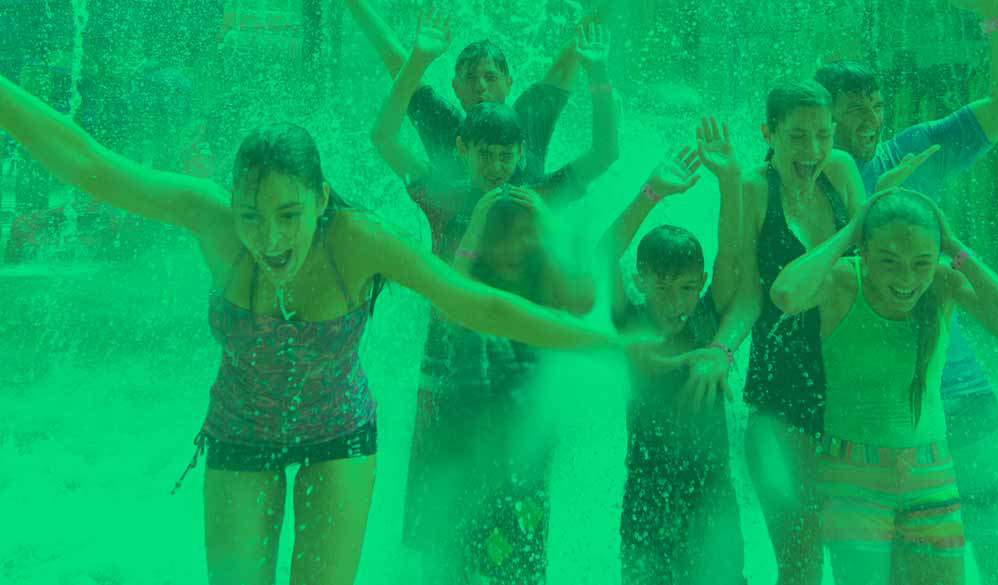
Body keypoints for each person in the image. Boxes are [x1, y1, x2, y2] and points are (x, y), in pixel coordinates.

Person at [0, 71, 626, 585]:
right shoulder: (213, 223)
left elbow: (470, 302)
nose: (269, 238)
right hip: (240, 429)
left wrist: (597, 339)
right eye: (252, 215)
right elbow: (88, 163)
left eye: (288, 215)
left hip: (339, 432)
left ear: (321, 199)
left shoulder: (359, 241)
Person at [814, 4, 998, 582]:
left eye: (877, 105)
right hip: (873, 421)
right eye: (854, 108)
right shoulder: (805, 185)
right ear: (822, 117)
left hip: (960, 387)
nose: (871, 119)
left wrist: (992, 15)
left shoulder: (913, 153)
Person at [771, 189, 998, 585]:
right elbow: (786, 293)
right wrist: (849, 233)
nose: (906, 279)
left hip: (931, 473)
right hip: (852, 474)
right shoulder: (845, 281)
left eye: (921, 263)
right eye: (889, 261)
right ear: (864, 251)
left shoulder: (945, 284)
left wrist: (957, 249)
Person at [404, 184, 592, 584]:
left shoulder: (543, 281)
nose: (512, 245)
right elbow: (444, 308)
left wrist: (547, 227)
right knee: (459, 555)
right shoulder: (470, 282)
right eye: (501, 234)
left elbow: (580, 303)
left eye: (522, 233)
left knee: (523, 556)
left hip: (524, 446)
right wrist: (472, 230)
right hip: (465, 442)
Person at [725, 80, 865, 585]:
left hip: (848, 397)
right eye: (799, 137)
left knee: (859, 556)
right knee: (801, 562)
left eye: (824, 135)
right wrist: (721, 348)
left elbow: (871, 270)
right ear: (770, 133)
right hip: (779, 398)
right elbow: (747, 295)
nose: (813, 150)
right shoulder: (753, 189)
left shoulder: (843, 173)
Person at [597, 118, 748, 584]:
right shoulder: (632, 322)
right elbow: (600, 258)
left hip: (713, 493)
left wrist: (729, 181)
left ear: (700, 284)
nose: (676, 301)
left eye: (686, 287)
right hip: (646, 491)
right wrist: (651, 192)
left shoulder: (706, 320)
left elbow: (734, 256)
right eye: (662, 286)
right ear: (640, 281)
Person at [347, 0, 585, 183]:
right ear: (456, 88)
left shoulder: (528, 118)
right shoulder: (444, 124)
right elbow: (397, 62)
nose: (481, 87)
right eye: (470, 79)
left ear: (508, 84)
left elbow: (571, 56)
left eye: (490, 77)